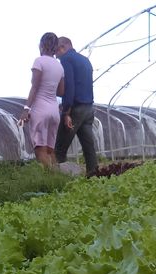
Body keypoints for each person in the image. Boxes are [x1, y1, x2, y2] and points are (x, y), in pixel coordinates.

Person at [19, 32, 65, 169]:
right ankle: (58, 179)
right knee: (50, 150)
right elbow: (61, 92)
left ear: (42, 45)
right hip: (54, 110)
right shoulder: (59, 66)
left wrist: (26, 109)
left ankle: (50, 181)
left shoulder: (39, 61)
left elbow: (35, 86)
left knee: (40, 149)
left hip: (40, 109)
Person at [54, 36, 99, 176]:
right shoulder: (85, 60)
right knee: (88, 146)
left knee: (60, 148)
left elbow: (69, 87)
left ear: (63, 47)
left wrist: (66, 111)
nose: (56, 55)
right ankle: (94, 175)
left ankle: (58, 180)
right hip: (88, 108)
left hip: (75, 109)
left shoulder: (66, 59)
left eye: (56, 51)